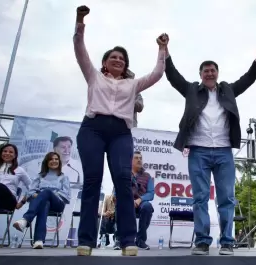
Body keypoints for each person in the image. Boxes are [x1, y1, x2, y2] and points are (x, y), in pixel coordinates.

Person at [73, 5, 167, 256]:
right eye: (113, 57)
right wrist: (80, 20)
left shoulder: (133, 84)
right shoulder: (93, 75)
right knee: (92, 181)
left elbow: (158, 73)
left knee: (124, 182)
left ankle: (128, 240)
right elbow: (79, 48)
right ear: (105, 62)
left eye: (122, 58)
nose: (118, 60)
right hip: (92, 128)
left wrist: (162, 48)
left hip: (121, 133)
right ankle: (86, 241)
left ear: (125, 66)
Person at [163, 33, 256, 256]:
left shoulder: (227, 89)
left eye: (213, 70)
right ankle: (202, 241)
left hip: (223, 152)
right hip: (198, 151)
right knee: (200, 197)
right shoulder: (192, 89)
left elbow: (248, 78)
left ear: (217, 74)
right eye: (205, 71)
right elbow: (172, 76)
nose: (209, 73)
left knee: (226, 198)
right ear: (200, 75)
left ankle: (227, 242)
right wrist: (165, 49)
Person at [13, 152, 71, 249]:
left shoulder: (64, 177)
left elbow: (66, 195)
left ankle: (25, 219)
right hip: (42, 202)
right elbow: (30, 192)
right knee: (44, 204)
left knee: (47, 192)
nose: (54, 161)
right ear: (46, 162)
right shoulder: (39, 176)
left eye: (56, 159)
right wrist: (41, 196)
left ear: (59, 162)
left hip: (58, 204)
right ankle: (39, 240)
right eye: (51, 159)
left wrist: (49, 195)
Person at [0, 144, 30, 243]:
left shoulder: (19, 170)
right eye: (5, 151)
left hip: (8, 201)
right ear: (1, 153)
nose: (7, 153)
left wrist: (22, 201)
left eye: (11, 152)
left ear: (15, 155)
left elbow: (32, 187)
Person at [130, 151, 154, 250]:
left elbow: (151, 193)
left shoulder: (147, 176)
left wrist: (140, 199)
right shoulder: (124, 174)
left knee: (147, 206)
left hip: (141, 203)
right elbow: (117, 192)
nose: (139, 160)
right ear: (130, 160)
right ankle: (120, 239)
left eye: (140, 158)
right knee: (120, 204)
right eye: (136, 158)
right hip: (126, 202)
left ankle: (140, 240)